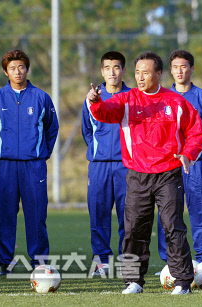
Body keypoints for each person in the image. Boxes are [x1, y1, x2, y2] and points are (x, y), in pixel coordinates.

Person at [86, 51, 202, 294]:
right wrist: (94, 101)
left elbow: (197, 131)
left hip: (169, 174)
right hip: (137, 175)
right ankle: (133, 281)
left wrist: (188, 153)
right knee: (133, 229)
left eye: (146, 73)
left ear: (158, 74)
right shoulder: (126, 99)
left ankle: (183, 282)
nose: (140, 77)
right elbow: (104, 113)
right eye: (137, 72)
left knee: (173, 226)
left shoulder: (176, 102)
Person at [0, 49, 59, 275]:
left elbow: (52, 128)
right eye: (13, 68)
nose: (18, 72)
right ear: (6, 71)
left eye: (22, 67)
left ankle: (39, 263)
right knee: (5, 214)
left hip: (34, 165)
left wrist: (41, 152)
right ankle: (7, 263)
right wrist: (1, 149)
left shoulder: (41, 97)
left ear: (27, 69)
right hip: (6, 165)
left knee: (36, 214)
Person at [156, 49, 202, 265]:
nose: (179, 71)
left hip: (196, 164)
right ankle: (169, 262)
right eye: (175, 67)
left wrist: (197, 153)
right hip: (168, 165)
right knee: (167, 214)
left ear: (191, 68)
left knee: (201, 211)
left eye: (183, 66)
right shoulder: (162, 97)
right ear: (170, 71)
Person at [82, 51, 130, 276]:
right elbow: (87, 132)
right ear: (102, 71)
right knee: (98, 213)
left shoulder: (133, 96)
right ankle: (102, 261)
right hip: (99, 166)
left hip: (127, 165)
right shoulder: (91, 97)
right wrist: (98, 151)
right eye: (108, 68)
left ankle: (126, 260)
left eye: (117, 67)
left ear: (123, 70)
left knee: (128, 215)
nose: (112, 72)